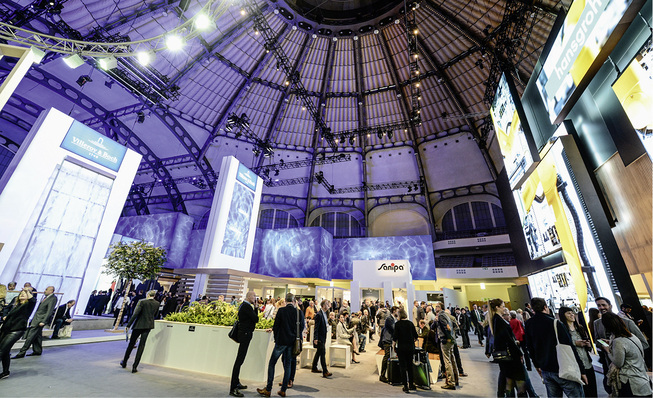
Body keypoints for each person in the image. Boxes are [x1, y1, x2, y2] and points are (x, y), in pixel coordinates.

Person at [525, 298, 587, 397]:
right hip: (563, 367)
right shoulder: (555, 323)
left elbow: (530, 347)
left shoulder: (529, 324)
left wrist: (537, 365)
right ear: (545, 307)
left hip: (546, 369)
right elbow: (570, 347)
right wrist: (581, 370)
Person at [257, 293, 300, 397]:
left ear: (285, 300)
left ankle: (268, 389)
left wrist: (277, 338)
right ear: (293, 300)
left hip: (281, 342)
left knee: (272, 363)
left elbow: (276, 326)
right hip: (291, 342)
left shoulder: (281, 311)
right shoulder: (298, 313)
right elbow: (301, 327)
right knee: (288, 365)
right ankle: (283, 389)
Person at [601, 312, 652, 397]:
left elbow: (618, 363)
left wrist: (608, 350)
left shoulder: (618, 341)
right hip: (642, 378)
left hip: (630, 381)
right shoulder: (632, 336)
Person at [490, 299, 526, 396]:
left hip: (507, 355)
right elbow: (507, 339)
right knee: (516, 379)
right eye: (502, 306)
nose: (504, 308)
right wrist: (519, 352)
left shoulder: (496, 319)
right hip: (510, 356)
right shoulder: (498, 320)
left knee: (508, 379)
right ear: (497, 307)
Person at [559, 307, 597, 398]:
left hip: (587, 362)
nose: (572, 315)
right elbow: (562, 346)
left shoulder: (579, 328)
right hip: (575, 364)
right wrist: (575, 343)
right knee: (583, 391)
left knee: (592, 389)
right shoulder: (563, 330)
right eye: (568, 313)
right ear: (563, 316)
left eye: (572, 313)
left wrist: (588, 345)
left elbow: (588, 344)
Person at [0, 289, 36, 379]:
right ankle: (5, 372)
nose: (22, 295)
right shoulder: (16, 305)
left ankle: (5, 372)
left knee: (1, 350)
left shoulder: (28, 306)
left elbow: (33, 300)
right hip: (6, 329)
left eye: (24, 294)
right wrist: (5, 316)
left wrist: (27, 291)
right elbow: (6, 309)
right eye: (21, 294)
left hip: (16, 330)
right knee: (5, 351)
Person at [121, 289, 159, 373]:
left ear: (148, 295)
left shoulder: (142, 302)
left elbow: (135, 314)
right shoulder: (157, 303)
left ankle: (124, 362)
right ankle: (135, 367)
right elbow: (155, 315)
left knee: (131, 344)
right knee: (142, 346)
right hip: (148, 326)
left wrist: (128, 325)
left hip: (138, 325)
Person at [13, 285, 56, 358]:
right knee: (37, 336)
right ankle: (37, 351)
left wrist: (43, 321)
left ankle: (22, 352)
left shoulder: (53, 298)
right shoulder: (45, 298)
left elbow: (49, 311)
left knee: (30, 336)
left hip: (40, 320)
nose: (44, 291)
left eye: (46, 289)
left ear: (51, 291)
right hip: (36, 319)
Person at [229, 291, 258, 397]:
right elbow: (256, 319)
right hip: (245, 335)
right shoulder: (246, 307)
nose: (255, 298)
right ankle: (233, 388)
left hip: (244, 334)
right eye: (254, 296)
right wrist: (256, 307)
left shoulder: (243, 305)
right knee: (239, 361)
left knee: (240, 360)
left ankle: (236, 383)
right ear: (249, 296)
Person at [393, 308, 419, 393]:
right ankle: (411, 384)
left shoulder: (397, 324)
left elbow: (395, 337)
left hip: (401, 348)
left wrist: (394, 346)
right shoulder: (410, 324)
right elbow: (416, 336)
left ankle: (405, 386)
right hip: (410, 348)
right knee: (410, 366)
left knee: (402, 367)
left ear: (399, 315)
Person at [435, 302, 456, 390]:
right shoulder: (446, 315)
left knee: (447, 361)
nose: (436, 307)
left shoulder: (441, 315)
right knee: (452, 359)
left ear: (441, 307)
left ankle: (451, 382)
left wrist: (447, 338)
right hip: (450, 340)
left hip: (446, 340)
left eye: (437, 306)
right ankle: (455, 379)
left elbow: (445, 327)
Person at [311, 299, 332, 378]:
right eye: (327, 304)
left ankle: (314, 367)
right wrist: (315, 338)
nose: (328, 305)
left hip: (323, 336)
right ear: (323, 305)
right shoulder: (319, 315)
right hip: (319, 337)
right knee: (322, 353)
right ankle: (325, 371)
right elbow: (316, 328)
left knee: (319, 352)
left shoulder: (325, 313)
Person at [379, 305, 398, 383]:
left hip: (391, 340)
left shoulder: (394, 319)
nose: (398, 312)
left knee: (389, 356)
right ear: (394, 311)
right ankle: (382, 375)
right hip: (387, 340)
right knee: (387, 356)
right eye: (397, 311)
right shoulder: (389, 319)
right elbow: (394, 329)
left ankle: (388, 374)